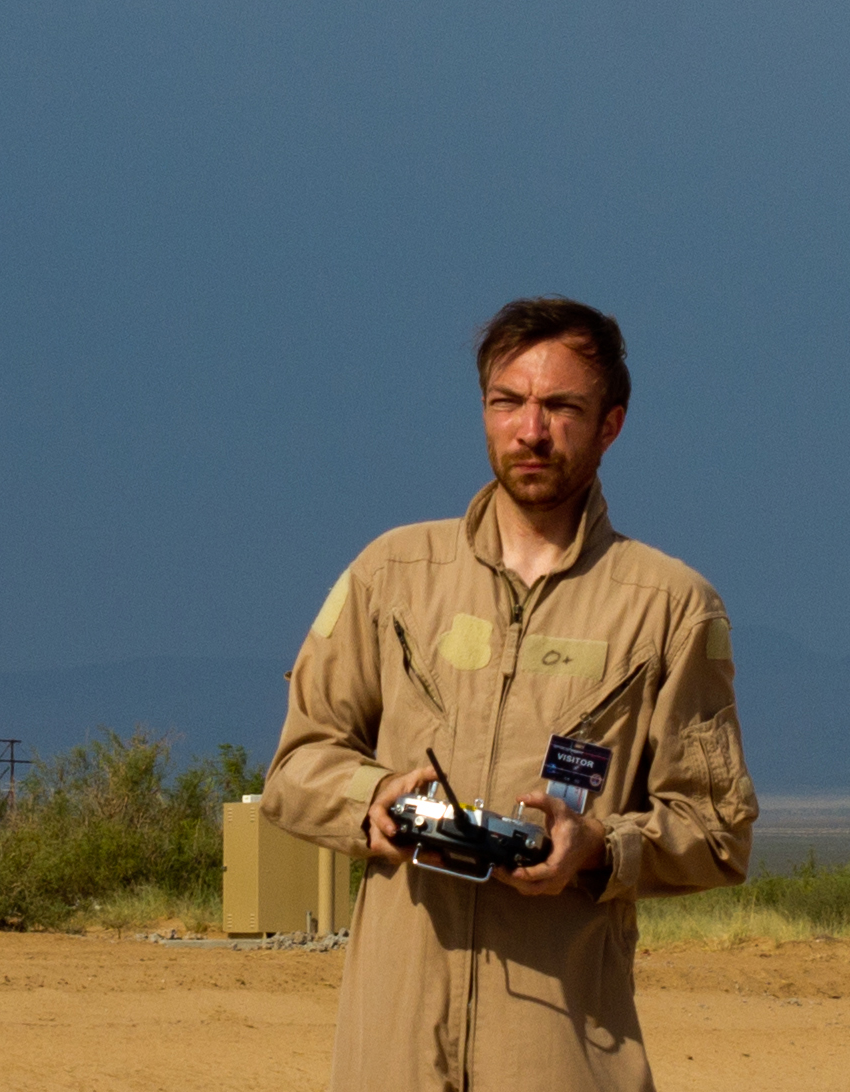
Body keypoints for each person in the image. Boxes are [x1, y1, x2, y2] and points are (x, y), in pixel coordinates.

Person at [261, 297, 756, 1092]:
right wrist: (375, 797)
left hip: (560, 1050)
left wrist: (598, 847)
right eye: (508, 402)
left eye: (562, 407)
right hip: (393, 1049)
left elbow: (719, 829)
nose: (531, 430)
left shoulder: (670, 606)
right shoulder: (391, 574)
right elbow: (295, 767)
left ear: (611, 425)